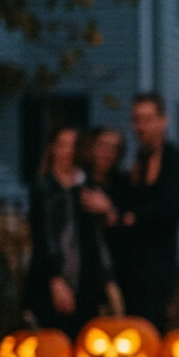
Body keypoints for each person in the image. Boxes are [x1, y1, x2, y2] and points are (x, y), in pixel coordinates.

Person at [23, 126, 118, 337]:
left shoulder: (88, 187)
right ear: (53, 149)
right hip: (53, 278)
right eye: (62, 145)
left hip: (86, 281)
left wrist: (108, 212)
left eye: (73, 146)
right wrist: (55, 279)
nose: (68, 151)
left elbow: (99, 238)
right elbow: (43, 238)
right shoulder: (43, 188)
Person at [118, 93, 179, 331]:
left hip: (158, 266)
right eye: (137, 119)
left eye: (147, 119)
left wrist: (132, 218)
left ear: (162, 120)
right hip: (130, 266)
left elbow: (169, 209)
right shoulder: (136, 160)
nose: (141, 126)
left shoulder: (173, 160)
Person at [81, 127, 129, 278]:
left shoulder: (124, 186)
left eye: (114, 148)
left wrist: (108, 210)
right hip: (81, 267)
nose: (107, 152)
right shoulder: (79, 181)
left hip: (114, 268)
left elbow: (128, 228)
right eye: (102, 145)